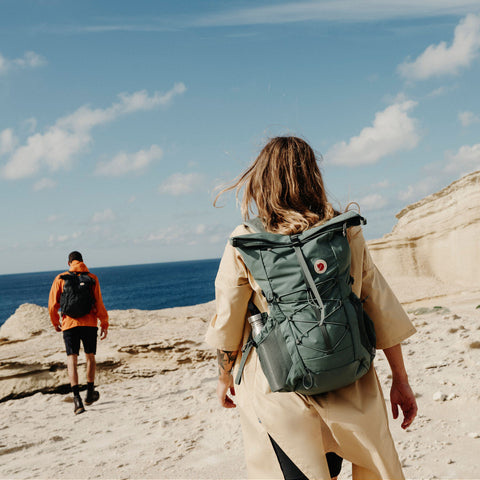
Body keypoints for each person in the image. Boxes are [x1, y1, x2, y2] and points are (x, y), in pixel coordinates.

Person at [206, 136, 418, 479]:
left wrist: (224, 377)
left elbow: (228, 320)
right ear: (313, 176)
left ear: (261, 181)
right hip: (349, 378)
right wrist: (401, 380)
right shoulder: (343, 229)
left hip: (282, 391)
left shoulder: (245, 240)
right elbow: (378, 303)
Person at [49, 251, 109, 415]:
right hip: (89, 323)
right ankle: (90, 393)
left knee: (72, 359)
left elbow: (53, 304)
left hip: (69, 324)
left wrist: (56, 322)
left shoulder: (60, 278)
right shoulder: (92, 277)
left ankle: (77, 400)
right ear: (82, 261)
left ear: (69, 263)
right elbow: (99, 302)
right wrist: (104, 322)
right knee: (90, 357)